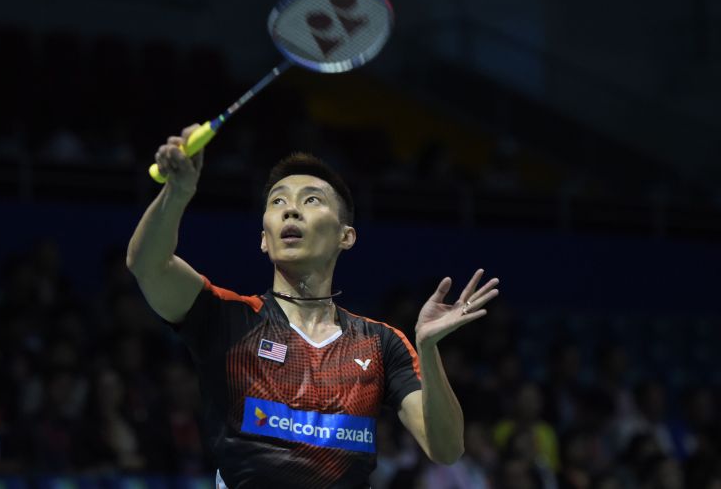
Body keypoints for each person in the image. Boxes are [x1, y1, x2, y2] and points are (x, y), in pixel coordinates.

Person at [126, 124, 500, 488]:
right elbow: (148, 265)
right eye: (278, 202)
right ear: (263, 239)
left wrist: (428, 348)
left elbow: (447, 449)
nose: (291, 211)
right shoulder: (228, 317)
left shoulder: (382, 344)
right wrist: (177, 192)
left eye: (311, 200)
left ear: (346, 236)